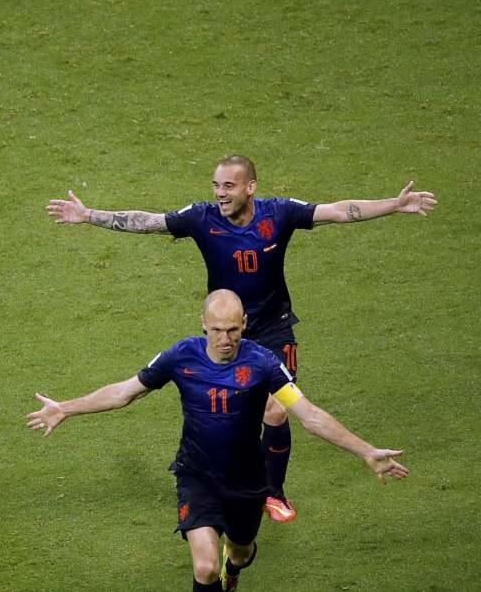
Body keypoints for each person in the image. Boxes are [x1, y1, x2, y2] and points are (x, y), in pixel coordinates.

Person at [46, 155, 434, 522]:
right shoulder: (201, 218)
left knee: (276, 411)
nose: (220, 193)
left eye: (228, 186)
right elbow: (148, 222)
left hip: (273, 330)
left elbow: (336, 211)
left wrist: (393, 205)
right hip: (227, 329)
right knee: (230, 411)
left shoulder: (279, 213)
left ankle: (273, 492)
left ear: (250, 187)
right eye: (216, 185)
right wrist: (88, 215)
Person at [26, 290, 408, 592]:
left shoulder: (262, 363)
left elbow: (309, 415)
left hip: (247, 482)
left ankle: (235, 566)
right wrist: (65, 408)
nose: (225, 339)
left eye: (233, 330)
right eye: (217, 330)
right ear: (203, 325)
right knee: (205, 568)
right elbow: (124, 392)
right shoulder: (181, 356)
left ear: (244, 324)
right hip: (197, 476)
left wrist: (366, 451)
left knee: (240, 553)